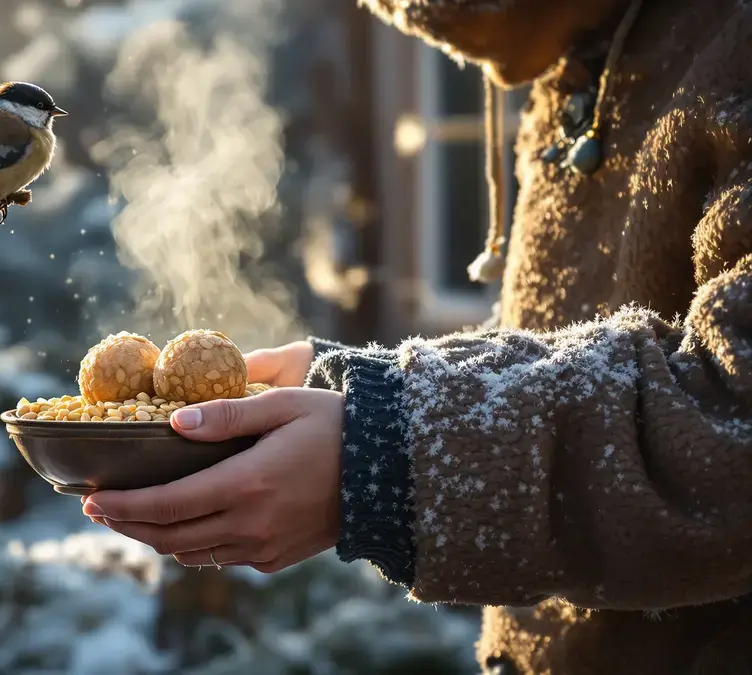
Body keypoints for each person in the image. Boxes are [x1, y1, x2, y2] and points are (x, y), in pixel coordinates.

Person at [79, 1, 752, 673]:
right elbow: (583, 346)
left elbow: (733, 418)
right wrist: (365, 390)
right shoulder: (580, 48)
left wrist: (387, 452)